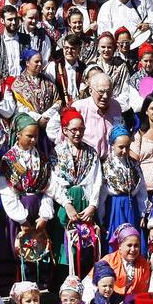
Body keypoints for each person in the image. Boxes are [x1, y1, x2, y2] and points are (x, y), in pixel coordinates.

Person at [0, 115, 54, 266]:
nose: (33, 140)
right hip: (18, 212)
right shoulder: (9, 160)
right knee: (19, 249)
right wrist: (22, 219)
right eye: (29, 136)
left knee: (38, 246)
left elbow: (48, 188)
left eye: (36, 136)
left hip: (37, 210)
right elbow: (7, 192)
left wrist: (44, 215)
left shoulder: (42, 158)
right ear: (18, 134)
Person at [50, 111, 103, 273]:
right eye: (74, 129)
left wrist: (93, 205)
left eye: (81, 129)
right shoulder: (56, 153)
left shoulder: (91, 152)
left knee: (87, 242)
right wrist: (67, 205)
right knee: (65, 243)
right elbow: (54, 182)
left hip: (85, 202)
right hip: (65, 204)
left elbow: (97, 180)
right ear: (65, 130)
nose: (78, 133)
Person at [101, 125, 148, 239]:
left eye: (127, 147)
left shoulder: (134, 164)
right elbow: (101, 194)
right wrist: (101, 217)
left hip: (132, 207)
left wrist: (143, 213)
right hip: (114, 207)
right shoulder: (106, 166)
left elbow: (141, 189)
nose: (125, 151)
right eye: (121, 147)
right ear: (112, 145)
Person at [95, 224, 152, 298]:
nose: (133, 250)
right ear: (120, 246)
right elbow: (92, 286)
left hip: (134, 303)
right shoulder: (108, 261)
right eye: (129, 245)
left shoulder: (144, 264)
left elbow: (144, 291)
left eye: (136, 246)